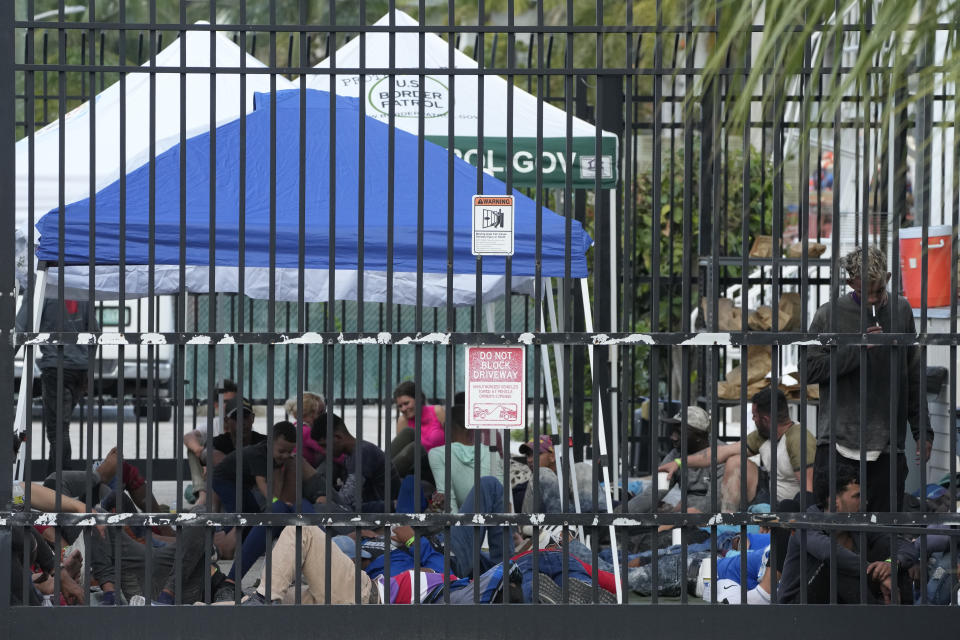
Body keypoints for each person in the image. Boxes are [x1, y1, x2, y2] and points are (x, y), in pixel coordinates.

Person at [806, 246, 934, 512]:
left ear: (888, 278)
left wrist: (922, 430)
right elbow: (809, 370)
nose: (874, 299)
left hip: (888, 446)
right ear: (851, 283)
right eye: (867, 292)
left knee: (884, 532)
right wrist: (856, 350)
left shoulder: (901, 311)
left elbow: (913, 376)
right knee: (835, 530)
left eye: (879, 290)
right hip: (838, 442)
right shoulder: (829, 314)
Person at [777, 463, 917, 604]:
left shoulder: (859, 523)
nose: (865, 502)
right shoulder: (805, 522)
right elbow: (829, 552)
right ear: (834, 502)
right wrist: (876, 573)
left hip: (840, 606)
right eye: (857, 496)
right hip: (798, 607)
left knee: (896, 568)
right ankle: (875, 617)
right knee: (836, 565)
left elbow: (905, 546)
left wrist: (890, 564)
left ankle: (900, 619)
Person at [658, 388, 816, 511]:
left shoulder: (798, 439)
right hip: (767, 495)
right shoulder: (763, 435)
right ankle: (728, 521)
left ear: (766, 419)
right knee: (735, 460)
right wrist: (679, 462)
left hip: (790, 506)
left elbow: (809, 492)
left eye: (754, 416)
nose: (753, 420)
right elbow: (720, 453)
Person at [16, 297, 100, 475]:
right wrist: (87, 364)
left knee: (58, 432)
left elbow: (20, 327)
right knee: (61, 429)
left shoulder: (43, 285)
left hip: (56, 367)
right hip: (80, 369)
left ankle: (62, 481)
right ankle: (52, 481)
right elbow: (95, 331)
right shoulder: (82, 287)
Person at [628, 406, 717, 514]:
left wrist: (678, 517)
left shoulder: (720, 455)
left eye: (679, 432)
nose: (673, 437)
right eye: (673, 431)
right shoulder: (676, 455)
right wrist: (622, 513)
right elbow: (653, 493)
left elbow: (718, 501)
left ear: (699, 436)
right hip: (686, 513)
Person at [183, 396, 265, 508]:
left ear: (253, 418)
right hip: (227, 495)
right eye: (236, 418)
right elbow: (210, 455)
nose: (242, 422)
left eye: (245, 417)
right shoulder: (219, 442)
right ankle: (209, 509)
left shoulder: (263, 442)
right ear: (227, 421)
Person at [311, 412, 399, 512]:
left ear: (337, 437)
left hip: (388, 510)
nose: (324, 451)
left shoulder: (362, 452)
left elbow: (346, 499)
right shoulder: (351, 456)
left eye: (325, 446)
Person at [427, 404, 504, 513]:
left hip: (463, 523)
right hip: (493, 522)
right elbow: (501, 497)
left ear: (447, 428)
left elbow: (447, 497)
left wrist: (455, 528)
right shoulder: (492, 453)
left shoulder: (437, 454)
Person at [519, 434, 605, 514]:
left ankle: (594, 523)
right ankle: (564, 524)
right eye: (528, 455)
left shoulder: (571, 476)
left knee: (581, 467)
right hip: (536, 525)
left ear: (552, 456)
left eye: (536, 454)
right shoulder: (525, 483)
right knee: (542, 473)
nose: (529, 460)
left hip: (579, 521)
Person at [388, 381, 445, 479]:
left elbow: (454, 439)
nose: (403, 409)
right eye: (400, 406)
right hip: (417, 469)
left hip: (439, 464)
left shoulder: (437, 411)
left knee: (415, 447)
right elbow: (400, 454)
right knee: (408, 434)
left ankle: (381, 476)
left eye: (406, 403)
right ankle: (381, 473)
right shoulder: (403, 420)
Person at [283, 391, 326, 467]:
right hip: (304, 473)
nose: (325, 416)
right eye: (321, 412)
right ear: (309, 414)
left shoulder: (296, 426)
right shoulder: (306, 432)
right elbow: (326, 450)